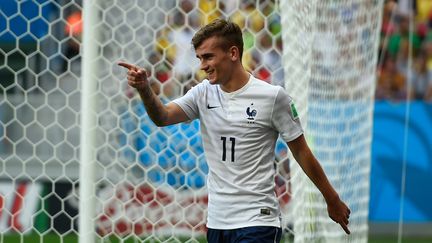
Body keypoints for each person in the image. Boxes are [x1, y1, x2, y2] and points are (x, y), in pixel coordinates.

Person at [119, 19, 350, 243]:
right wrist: (144, 89)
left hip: (258, 219)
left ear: (233, 53)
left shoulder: (272, 97)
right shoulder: (202, 94)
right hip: (218, 222)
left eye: (208, 57)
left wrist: (332, 198)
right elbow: (163, 117)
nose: (202, 66)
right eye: (200, 58)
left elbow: (301, 152)